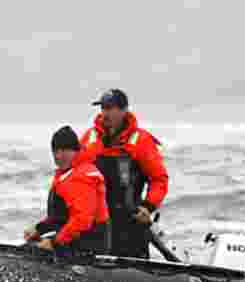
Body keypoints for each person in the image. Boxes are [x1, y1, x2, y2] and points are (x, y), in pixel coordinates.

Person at [80, 89, 169, 258]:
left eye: (109, 108)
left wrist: (148, 207)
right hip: (96, 220)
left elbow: (159, 180)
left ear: (123, 110)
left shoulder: (141, 140)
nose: (105, 113)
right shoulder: (89, 138)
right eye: (103, 108)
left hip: (129, 221)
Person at [24, 126, 110, 254]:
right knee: (28, 247)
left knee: (32, 252)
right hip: (71, 240)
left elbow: (82, 219)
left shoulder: (83, 175)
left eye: (64, 150)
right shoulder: (67, 173)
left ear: (75, 150)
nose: (58, 156)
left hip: (88, 247)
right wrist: (38, 229)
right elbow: (60, 217)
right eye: (55, 151)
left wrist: (54, 242)